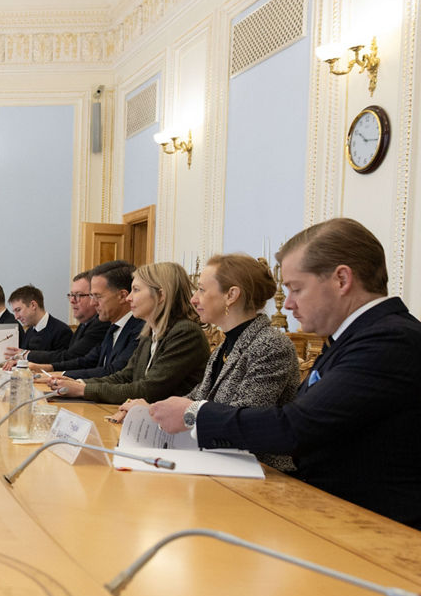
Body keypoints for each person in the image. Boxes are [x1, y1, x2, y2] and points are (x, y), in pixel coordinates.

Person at [149, 219, 421, 528]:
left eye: (296, 289)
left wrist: (193, 415)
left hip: (374, 528)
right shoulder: (352, 337)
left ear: (342, 279)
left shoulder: (389, 340)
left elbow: (297, 426)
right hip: (330, 511)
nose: (287, 304)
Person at [133, 254, 300, 470]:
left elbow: (245, 418)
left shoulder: (270, 345)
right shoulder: (225, 345)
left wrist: (186, 411)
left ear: (231, 295)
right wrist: (148, 412)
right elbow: (196, 397)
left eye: (201, 290)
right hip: (221, 462)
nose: (194, 299)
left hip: (262, 471)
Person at [49, 262, 208, 404]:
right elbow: (124, 376)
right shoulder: (150, 331)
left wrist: (81, 390)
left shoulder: (185, 333)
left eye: (136, 290)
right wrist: (78, 383)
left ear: (160, 295)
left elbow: (149, 390)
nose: (129, 298)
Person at [29, 260, 144, 380]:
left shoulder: (140, 329)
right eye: (91, 296)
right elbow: (87, 360)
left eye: (97, 296)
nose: (93, 303)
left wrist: (57, 376)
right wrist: (47, 369)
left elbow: (114, 371)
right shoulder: (112, 326)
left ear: (122, 296)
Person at [18, 271, 107, 366]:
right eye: (71, 295)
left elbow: (70, 357)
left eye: (78, 295)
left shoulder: (101, 323)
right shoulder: (84, 324)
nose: (72, 300)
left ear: (93, 297)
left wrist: (27, 355)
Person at [6, 285, 72, 356]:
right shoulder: (29, 332)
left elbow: (60, 362)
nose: (16, 317)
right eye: (14, 312)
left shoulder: (62, 332)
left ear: (33, 305)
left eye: (18, 310)